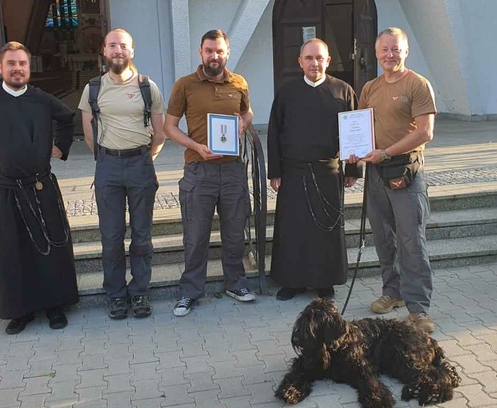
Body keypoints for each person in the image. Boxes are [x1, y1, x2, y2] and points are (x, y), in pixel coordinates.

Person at [0, 41, 79, 335]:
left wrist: (61, 146)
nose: (17, 69)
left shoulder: (43, 100)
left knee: (50, 250)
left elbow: (66, 119)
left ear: (28, 68)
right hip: (2, 189)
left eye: (22, 63)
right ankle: (18, 310)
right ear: (1, 68)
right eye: (11, 64)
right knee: (9, 251)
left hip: (39, 186)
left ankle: (54, 305)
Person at [164, 29, 255, 316]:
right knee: (196, 234)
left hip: (232, 170)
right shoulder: (185, 85)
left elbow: (248, 112)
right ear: (201, 53)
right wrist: (197, 147)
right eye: (208, 51)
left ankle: (236, 283)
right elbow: (169, 127)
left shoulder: (239, 82)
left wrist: (243, 123)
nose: (214, 56)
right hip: (198, 169)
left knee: (234, 232)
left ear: (227, 52)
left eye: (219, 51)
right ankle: (190, 291)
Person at [78, 29, 166, 320]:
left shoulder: (147, 86)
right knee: (111, 236)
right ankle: (116, 295)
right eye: (112, 45)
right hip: (108, 167)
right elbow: (89, 133)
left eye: (123, 46)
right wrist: (109, 157)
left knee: (142, 236)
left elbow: (160, 131)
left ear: (132, 51)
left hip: (140, 164)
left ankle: (140, 291)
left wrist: (143, 158)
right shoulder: (93, 88)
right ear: (104, 51)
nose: (118, 50)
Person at [354, 27, 438, 333]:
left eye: (396, 49)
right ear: (376, 53)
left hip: (406, 171)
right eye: (384, 50)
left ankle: (419, 309)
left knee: (411, 242)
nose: (390, 55)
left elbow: (425, 132)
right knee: (383, 238)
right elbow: (361, 127)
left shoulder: (418, 84)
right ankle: (393, 292)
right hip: (376, 172)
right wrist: (354, 151)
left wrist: (386, 152)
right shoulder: (370, 88)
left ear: (406, 51)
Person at [267, 38, 357, 301]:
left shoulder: (343, 91)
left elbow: (354, 133)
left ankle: (325, 281)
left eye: (319, 58)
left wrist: (352, 169)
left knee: (326, 229)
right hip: (293, 172)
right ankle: (291, 281)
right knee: (293, 229)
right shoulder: (287, 92)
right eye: (309, 58)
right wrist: (275, 171)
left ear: (328, 61)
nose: (314, 63)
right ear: (300, 62)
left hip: (327, 171)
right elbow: (274, 133)